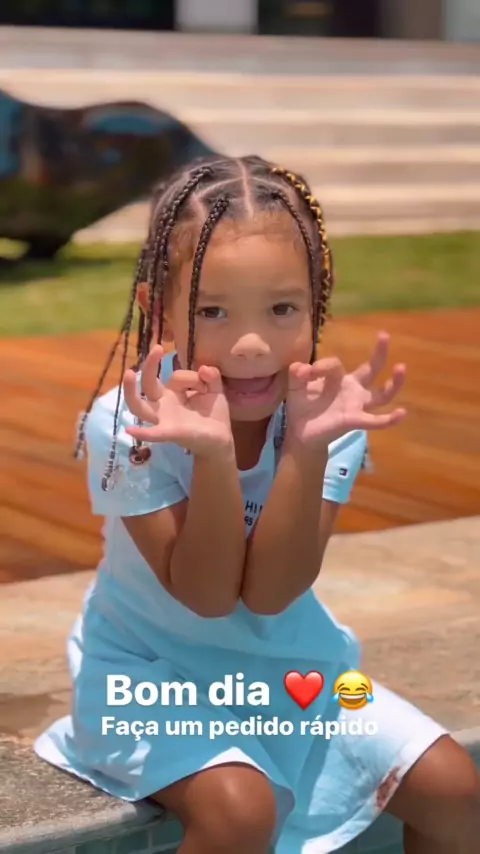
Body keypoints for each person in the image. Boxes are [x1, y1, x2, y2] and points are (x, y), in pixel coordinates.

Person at [34, 155, 479, 854]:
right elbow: (207, 596)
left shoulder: (326, 419)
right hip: (145, 677)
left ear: (318, 300)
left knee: (456, 787)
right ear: (157, 308)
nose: (250, 345)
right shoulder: (128, 424)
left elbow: (271, 594)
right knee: (241, 810)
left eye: (282, 309)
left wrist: (305, 447)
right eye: (211, 311)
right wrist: (212, 457)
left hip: (293, 669)